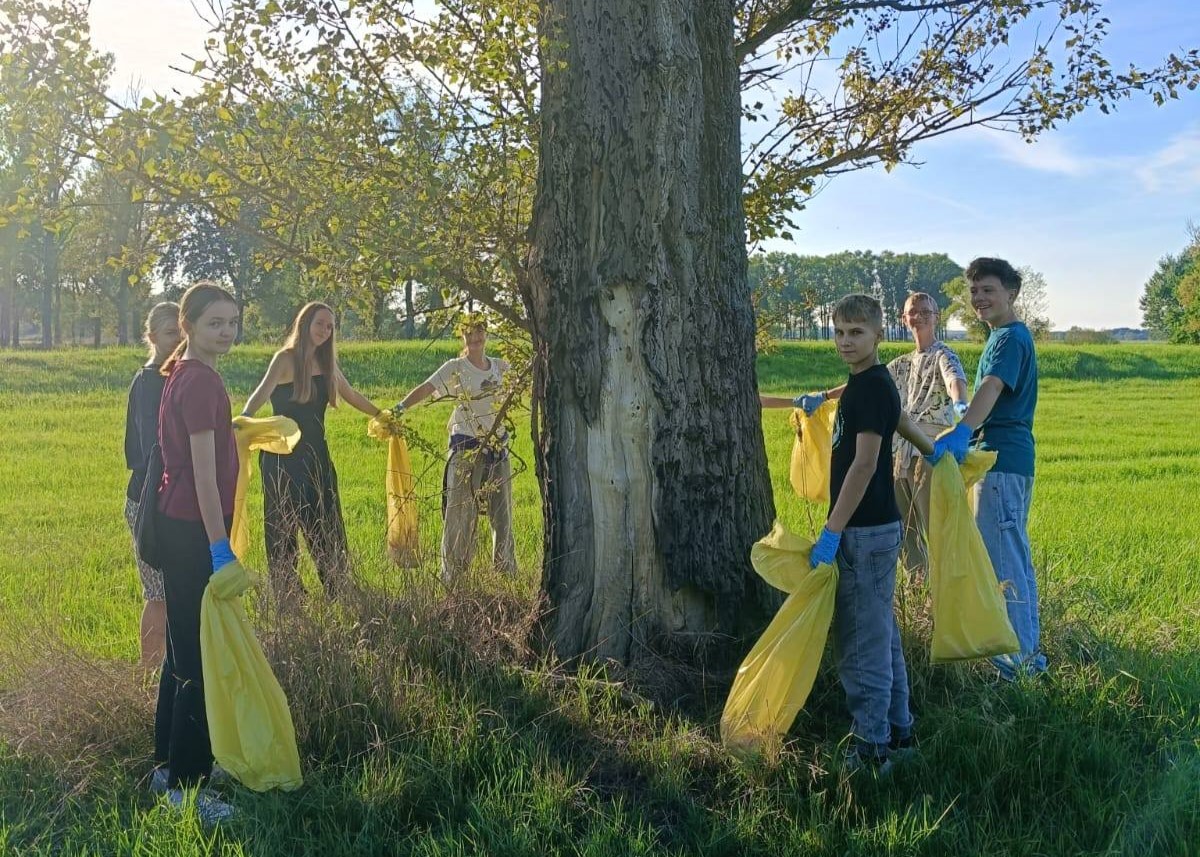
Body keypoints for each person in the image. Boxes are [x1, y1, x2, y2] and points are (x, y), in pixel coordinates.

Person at [763, 293, 940, 773]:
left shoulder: (868, 389)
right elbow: (900, 419)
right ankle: (899, 734)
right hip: (878, 529)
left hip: (862, 533)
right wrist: (932, 449)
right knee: (882, 637)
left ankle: (871, 750)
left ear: (879, 335)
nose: (845, 341)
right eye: (839, 332)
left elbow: (863, 465)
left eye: (856, 333)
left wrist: (832, 531)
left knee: (861, 644)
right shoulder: (872, 383)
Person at [150, 281, 240, 823]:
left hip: (174, 522)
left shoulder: (181, 373)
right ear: (188, 326)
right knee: (198, 658)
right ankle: (187, 788)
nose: (226, 332)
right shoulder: (201, 380)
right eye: (215, 323)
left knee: (179, 649)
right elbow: (205, 478)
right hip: (192, 530)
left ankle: (166, 766)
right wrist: (219, 546)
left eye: (232, 322)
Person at [934, 258, 1047, 681]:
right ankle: (1028, 656)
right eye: (974, 291)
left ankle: (1017, 668)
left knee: (1004, 564)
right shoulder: (1005, 336)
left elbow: (992, 386)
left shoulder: (1010, 338)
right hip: (1007, 461)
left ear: (1011, 293)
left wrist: (964, 430)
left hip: (1000, 462)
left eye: (989, 290)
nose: (979, 298)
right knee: (1014, 557)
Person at [241, 302, 381, 599]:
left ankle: (337, 586)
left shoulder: (326, 363)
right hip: (282, 458)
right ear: (305, 324)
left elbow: (351, 394)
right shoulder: (284, 359)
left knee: (326, 522)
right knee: (283, 527)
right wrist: (241, 421)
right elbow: (259, 395)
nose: (325, 331)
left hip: (317, 456)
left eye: (330, 327)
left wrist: (382, 415)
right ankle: (288, 593)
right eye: (320, 323)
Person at [393, 314, 515, 583]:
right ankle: (453, 577)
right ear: (463, 337)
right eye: (469, 333)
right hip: (466, 449)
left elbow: (522, 386)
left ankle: (506, 573)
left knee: (502, 514)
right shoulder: (456, 367)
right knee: (460, 514)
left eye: (479, 332)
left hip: (497, 448)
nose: (475, 338)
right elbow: (427, 388)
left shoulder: (500, 367)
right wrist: (399, 408)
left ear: (486, 334)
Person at [885, 292, 968, 581]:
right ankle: (919, 589)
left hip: (930, 451)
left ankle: (948, 590)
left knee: (936, 527)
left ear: (936, 317)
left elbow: (954, 379)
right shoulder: (900, 364)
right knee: (904, 530)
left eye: (925, 311)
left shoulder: (944, 354)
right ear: (903, 319)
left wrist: (960, 404)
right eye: (913, 312)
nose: (918, 316)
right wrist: (824, 397)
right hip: (899, 454)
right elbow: (869, 385)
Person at [123, 302, 180, 669]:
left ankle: (171, 672)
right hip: (148, 500)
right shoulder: (149, 382)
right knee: (158, 593)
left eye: (184, 333)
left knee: (173, 591)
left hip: (169, 496)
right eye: (172, 333)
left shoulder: (175, 376)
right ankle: (149, 674)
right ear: (152, 336)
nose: (179, 340)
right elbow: (151, 449)